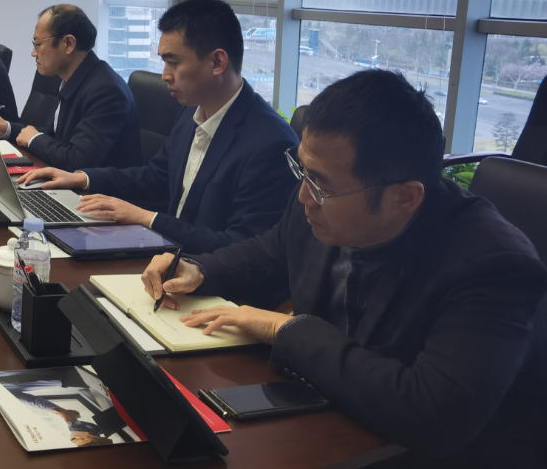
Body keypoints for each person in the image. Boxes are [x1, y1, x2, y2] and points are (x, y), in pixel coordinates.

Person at [142, 70, 547, 467]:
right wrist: (200, 270)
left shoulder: (494, 266)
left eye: (320, 183)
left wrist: (285, 329)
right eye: (302, 169)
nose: (304, 195)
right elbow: (271, 252)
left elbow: (432, 416)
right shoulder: (321, 196)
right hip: (331, 412)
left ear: (404, 198)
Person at [20, 0, 296, 253]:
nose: (165, 75)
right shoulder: (190, 113)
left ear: (217, 62)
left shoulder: (271, 143)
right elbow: (156, 177)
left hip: (209, 275)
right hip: (167, 257)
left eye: (173, 62)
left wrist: (147, 219)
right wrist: (84, 178)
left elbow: (243, 247)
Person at [0, 4, 142, 171]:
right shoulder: (67, 77)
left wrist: (34, 139)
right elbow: (54, 135)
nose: (33, 53)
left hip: (98, 187)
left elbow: (78, 161)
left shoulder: (106, 91)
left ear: (68, 44)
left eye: (38, 44)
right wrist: (7, 128)